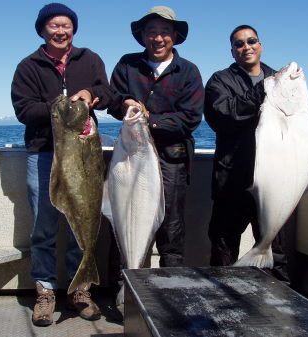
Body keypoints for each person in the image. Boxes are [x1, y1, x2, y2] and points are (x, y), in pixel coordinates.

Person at [11, 3, 112, 326]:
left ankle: (80, 289)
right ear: (42, 30)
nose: (60, 31)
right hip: (43, 154)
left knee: (79, 224)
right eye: (53, 26)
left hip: (85, 155)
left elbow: (107, 93)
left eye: (66, 25)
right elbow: (24, 111)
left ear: (73, 30)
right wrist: (59, 107)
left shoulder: (90, 59)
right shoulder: (28, 66)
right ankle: (44, 291)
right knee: (44, 225)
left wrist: (89, 93)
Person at [107, 6, 204, 268]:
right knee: (126, 219)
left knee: (171, 229)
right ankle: (125, 290)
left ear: (174, 36)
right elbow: (111, 99)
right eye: (152, 31)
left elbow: (190, 118)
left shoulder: (189, 71)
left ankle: (168, 295)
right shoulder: (127, 64)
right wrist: (124, 103)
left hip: (171, 159)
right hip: (131, 155)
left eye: (164, 32)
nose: (158, 38)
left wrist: (149, 120)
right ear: (143, 36)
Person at [204, 25, 289, 281]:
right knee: (223, 244)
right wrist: (263, 89)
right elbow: (222, 115)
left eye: (251, 41)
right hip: (232, 179)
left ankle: (283, 300)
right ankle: (221, 300)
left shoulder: (279, 79)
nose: (246, 47)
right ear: (232, 52)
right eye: (239, 44)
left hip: (272, 181)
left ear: (260, 45)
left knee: (275, 245)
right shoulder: (220, 80)